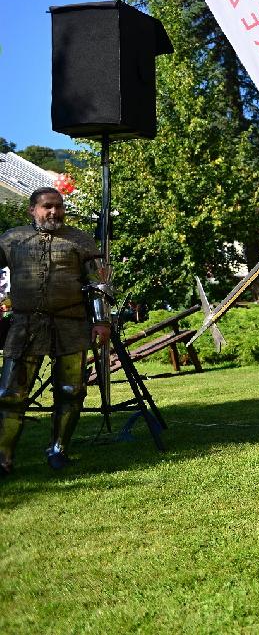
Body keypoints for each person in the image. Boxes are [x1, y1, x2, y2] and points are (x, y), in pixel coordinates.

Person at [0, 187, 111, 473]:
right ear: (32, 209)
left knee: (71, 390)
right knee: (10, 394)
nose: (54, 212)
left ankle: (58, 449)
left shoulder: (80, 240)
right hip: (25, 325)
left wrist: (101, 321)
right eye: (48, 206)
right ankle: (3, 458)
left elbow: (99, 284)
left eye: (59, 206)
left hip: (71, 323)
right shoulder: (12, 239)